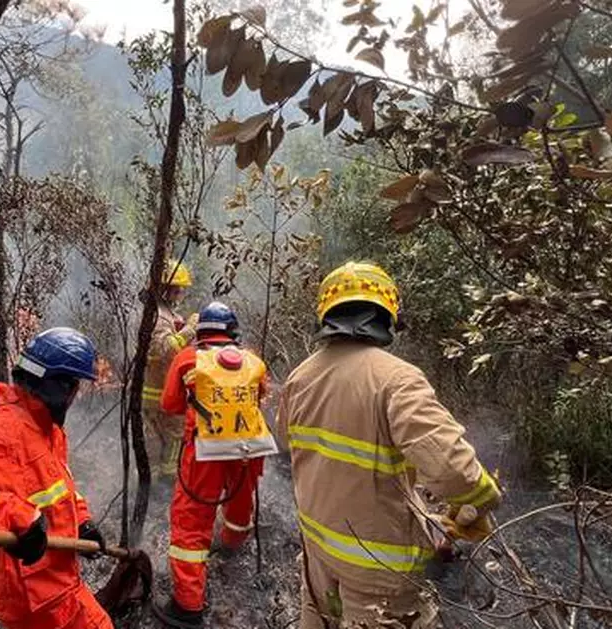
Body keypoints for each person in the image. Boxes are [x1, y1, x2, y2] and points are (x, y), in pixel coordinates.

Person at [275, 262, 503, 629]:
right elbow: (453, 471)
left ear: (327, 314)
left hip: (318, 553)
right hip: (379, 571)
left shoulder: (299, 377)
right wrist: (482, 497)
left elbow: (289, 445)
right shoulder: (397, 379)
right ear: (385, 316)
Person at [0, 327, 112, 629]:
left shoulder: (45, 430)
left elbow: (55, 490)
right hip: (34, 595)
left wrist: (82, 522)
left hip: (54, 583)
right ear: (59, 386)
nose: (74, 396)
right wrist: (13, 516)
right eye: (74, 386)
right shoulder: (5, 432)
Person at [154, 302, 277, 628]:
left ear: (201, 331)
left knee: (191, 523)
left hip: (206, 452)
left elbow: (169, 404)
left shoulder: (186, 358)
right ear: (233, 332)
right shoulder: (254, 360)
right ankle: (232, 544)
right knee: (240, 502)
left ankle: (187, 605)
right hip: (251, 449)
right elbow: (261, 397)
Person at [143, 259, 198, 479]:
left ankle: (162, 481)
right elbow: (164, 350)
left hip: (166, 389)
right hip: (158, 392)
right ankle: (159, 483)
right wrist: (190, 330)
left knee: (166, 438)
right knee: (163, 438)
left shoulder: (166, 315)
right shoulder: (158, 316)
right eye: (177, 290)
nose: (180, 294)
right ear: (166, 289)